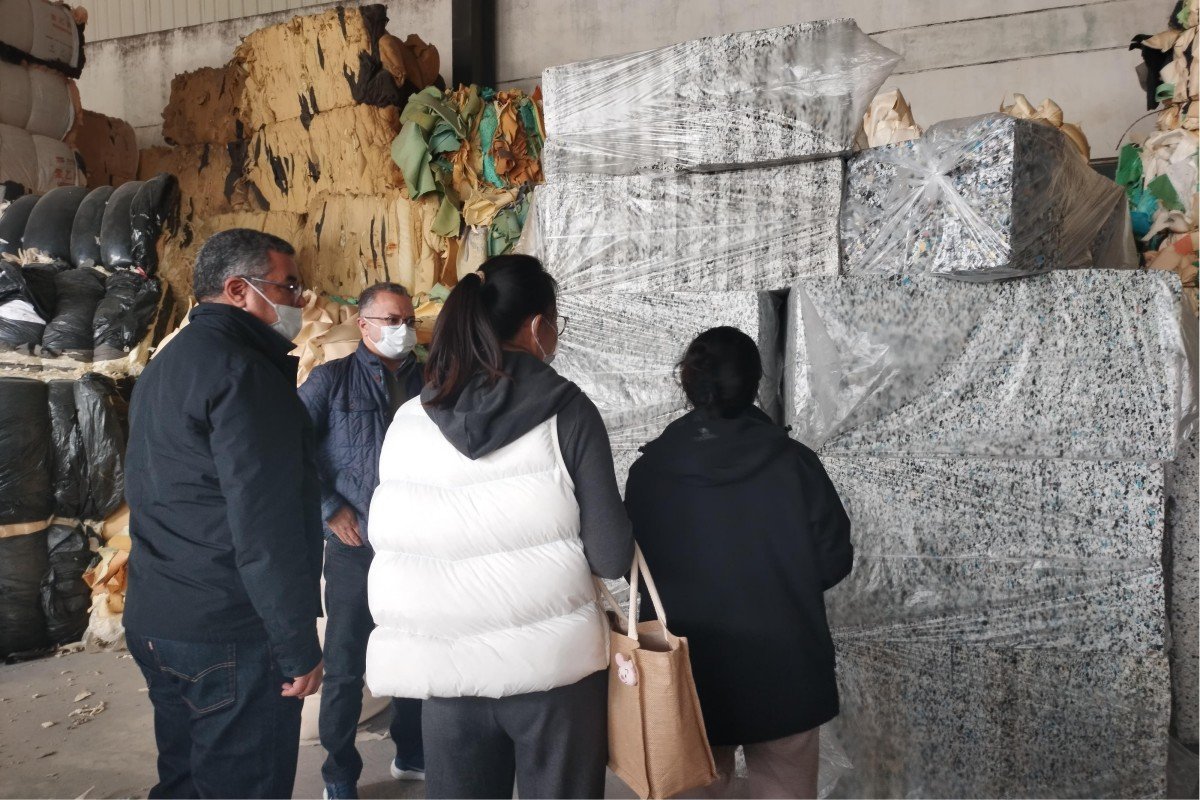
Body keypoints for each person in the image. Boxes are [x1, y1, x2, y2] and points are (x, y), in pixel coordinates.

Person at [364, 254, 634, 799]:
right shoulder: (569, 412)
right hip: (555, 677)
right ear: (538, 326)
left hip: (448, 673)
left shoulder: (411, 419)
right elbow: (610, 556)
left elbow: (396, 544)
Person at [123, 229, 324, 799]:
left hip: (158, 619)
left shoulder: (168, 363)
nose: (298, 301)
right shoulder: (246, 374)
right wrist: (295, 644)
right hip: (228, 632)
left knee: (184, 779)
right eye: (288, 287)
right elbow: (267, 526)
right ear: (238, 289)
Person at [623, 326, 853, 800]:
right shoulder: (796, 464)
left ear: (689, 382)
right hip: (786, 665)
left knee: (699, 788)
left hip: (686, 669)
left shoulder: (648, 472)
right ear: (755, 383)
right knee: (785, 786)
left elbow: (630, 567)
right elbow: (834, 560)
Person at [299, 282, 426, 799]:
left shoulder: (433, 379)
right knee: (347, 662)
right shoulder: (330, 381)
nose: (404, 329)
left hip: (417, 545)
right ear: (364, 324)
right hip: (357, 544)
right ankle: (338, 774)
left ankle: (412, 751)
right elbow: (288, 451)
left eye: (408, 319)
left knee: (418, 655)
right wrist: (331, 508)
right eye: (392, 320)